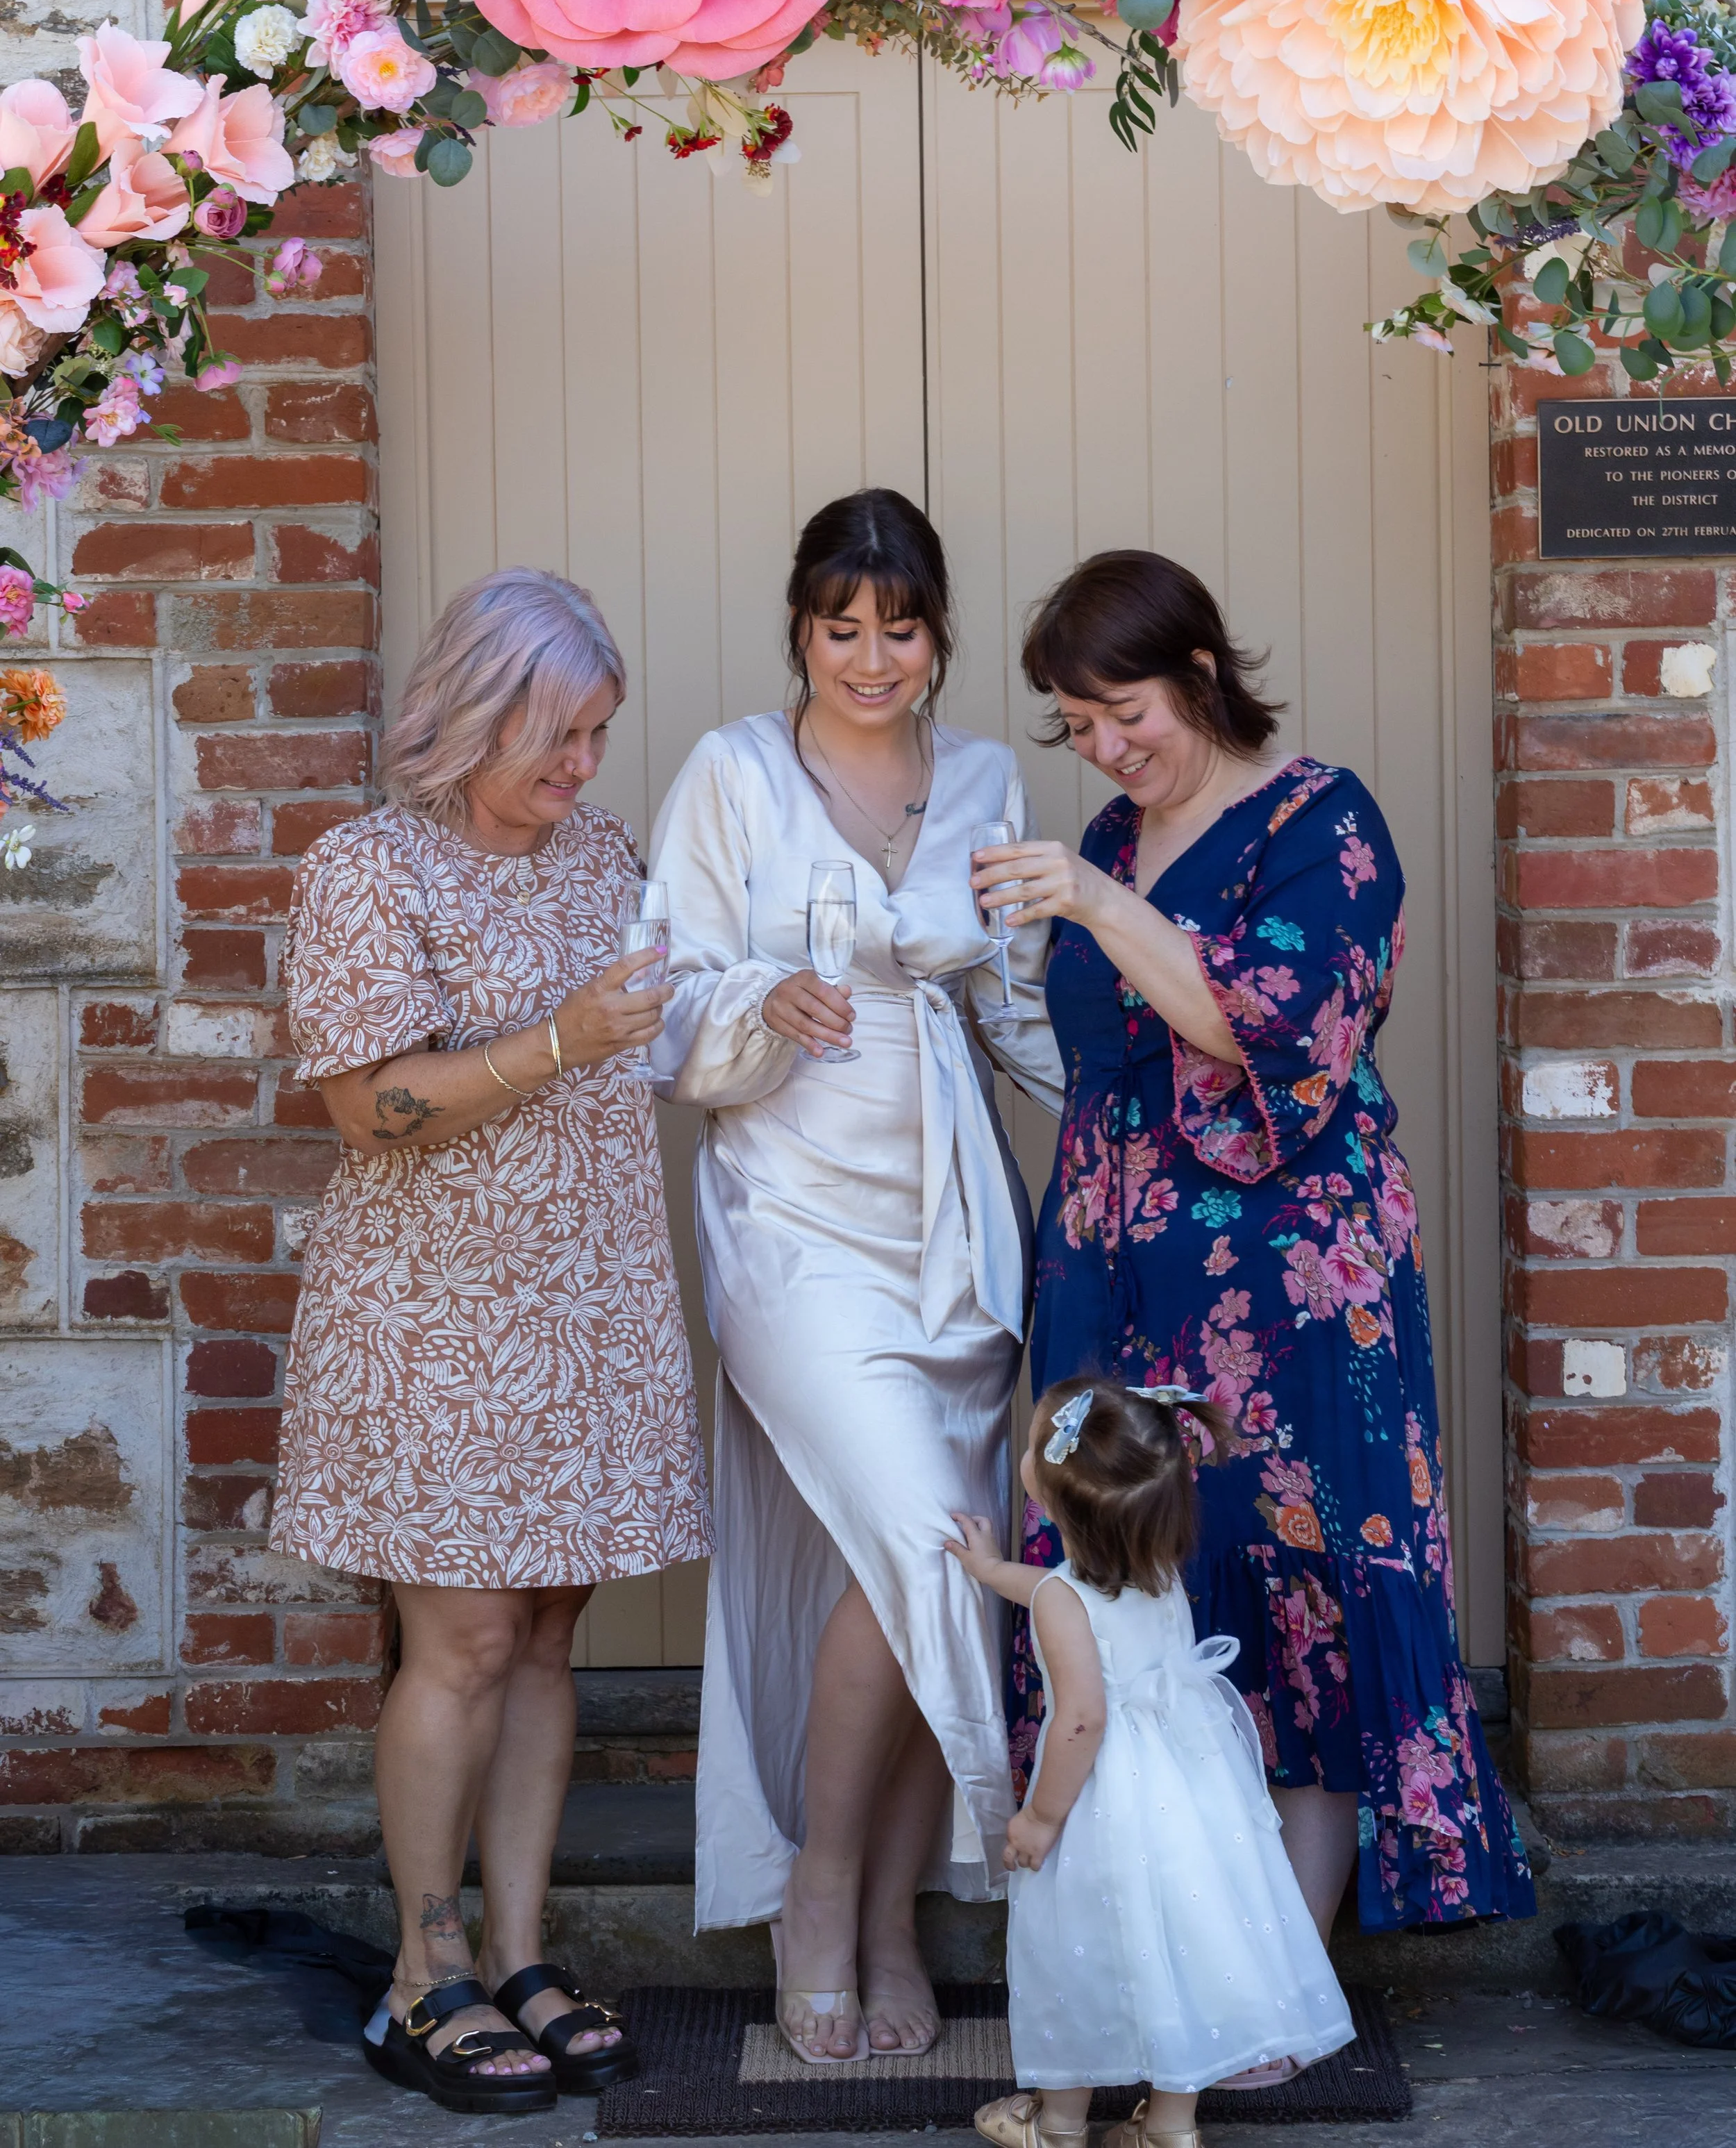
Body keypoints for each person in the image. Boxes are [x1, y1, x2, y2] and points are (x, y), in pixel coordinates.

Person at [971, 549, 1533, 2031]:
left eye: (1123, 712)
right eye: (1076, 725)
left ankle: (1271, 1989)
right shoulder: (1114, 832)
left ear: (1201, 675)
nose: (1104, 749)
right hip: (1115, 1269)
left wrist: (1094, 898)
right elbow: (1090, 1053)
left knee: (1304, 1586)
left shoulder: (1317, 820)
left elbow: (1264, 1027)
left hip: (1292, 1281)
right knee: (1139, 1588)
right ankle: (1159, 1972)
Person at [275, 567, 712, 2118]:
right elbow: (361, 1108)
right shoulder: (367, 870)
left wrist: (757, 1013)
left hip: (589, 1299)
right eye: (556, 734)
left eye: (598, 732)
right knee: (456, 1641)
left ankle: (523, 1957)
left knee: (541, 1640)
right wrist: (556, 1042)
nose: (582, 767)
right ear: (471, 713)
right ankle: (422, 1971)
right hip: (436, 1318)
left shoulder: (605, 855)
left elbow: (664, 1041)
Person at [648, 488, 1063, 2064]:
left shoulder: (989, 778)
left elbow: (1027, 1007)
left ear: (937, 629)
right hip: (793, 1220)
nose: (873, 654)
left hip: (954, 1228)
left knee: (929, 1569)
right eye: (843, 624)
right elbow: (672, 999)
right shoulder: (735, 772)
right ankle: (813, 1889)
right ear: (801, 628)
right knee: (913, 1529)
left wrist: (1132, 1104)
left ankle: (894, 1915)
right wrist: (767, 1000)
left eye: (900, 624)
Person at [949, 1375, 1354, 2148]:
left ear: (1043, 1488)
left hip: (1104, 1806)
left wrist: (1039, 1819)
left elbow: (1081, 1721)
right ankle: (1169, 2128)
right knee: (1181, 1952)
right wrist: (992, 1573)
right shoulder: (1157, 1570)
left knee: (1078, 1953)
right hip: (1189, 1793)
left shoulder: (1064, 1604)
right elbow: (1059, 1594)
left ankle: (1060, 2123)